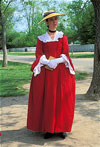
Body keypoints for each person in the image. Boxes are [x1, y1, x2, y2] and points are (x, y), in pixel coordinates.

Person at [27, 10, 75, 139]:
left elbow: (65, 53)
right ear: (47, 22)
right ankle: (49, 128)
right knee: (48, 99)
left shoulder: (62, 37)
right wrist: (47, 62)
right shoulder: (41, 39)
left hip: (60, 73)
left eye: (56, 19)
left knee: (61, 99)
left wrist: (56, 61)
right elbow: (38, 54)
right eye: (52, 19)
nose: (55, 22)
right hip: (47, 73)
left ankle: (61, 128)